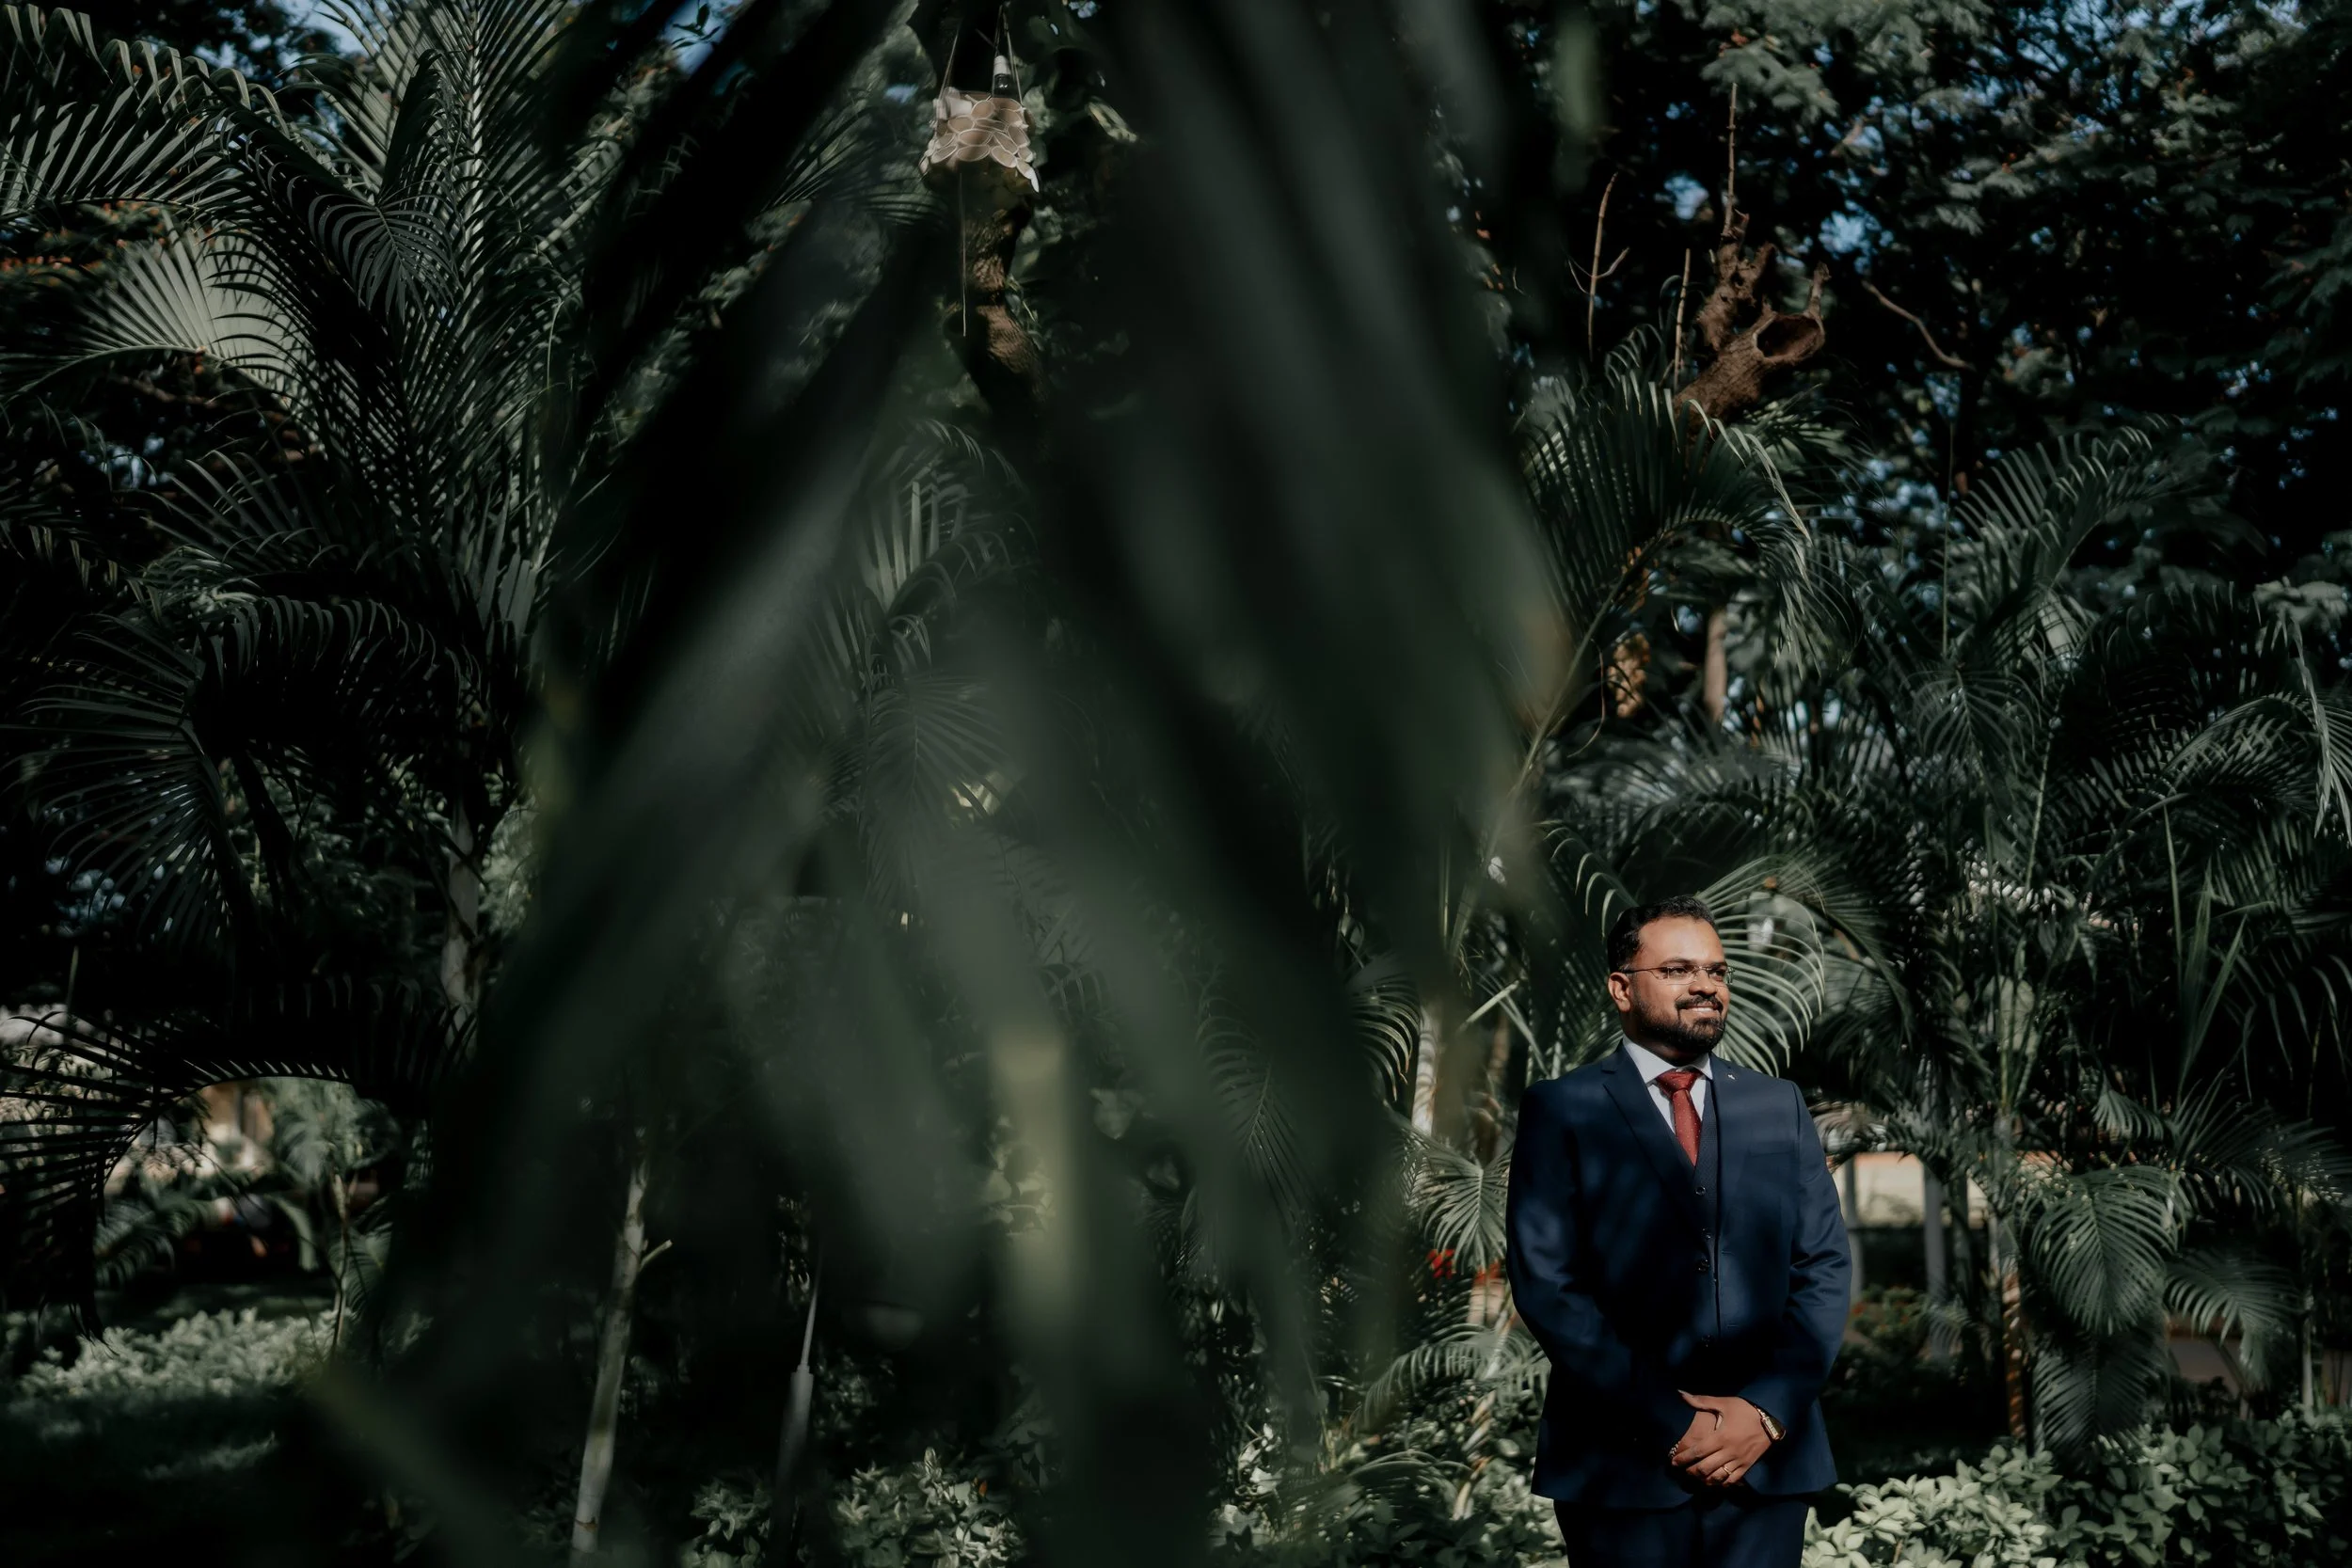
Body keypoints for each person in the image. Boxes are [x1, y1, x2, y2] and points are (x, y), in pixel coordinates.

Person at [1504, 895, 1851, 1568]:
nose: (1705, 985)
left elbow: (1824, 1266)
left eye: (1717, 971)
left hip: (1766, 1463)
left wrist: (1765, 1411)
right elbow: (1548, 1285)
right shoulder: (1562, 1108)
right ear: (1621, 988)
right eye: (1678, 970)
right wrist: (1673, 1420)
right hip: (1620, 1466)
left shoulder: (1778, 1104)